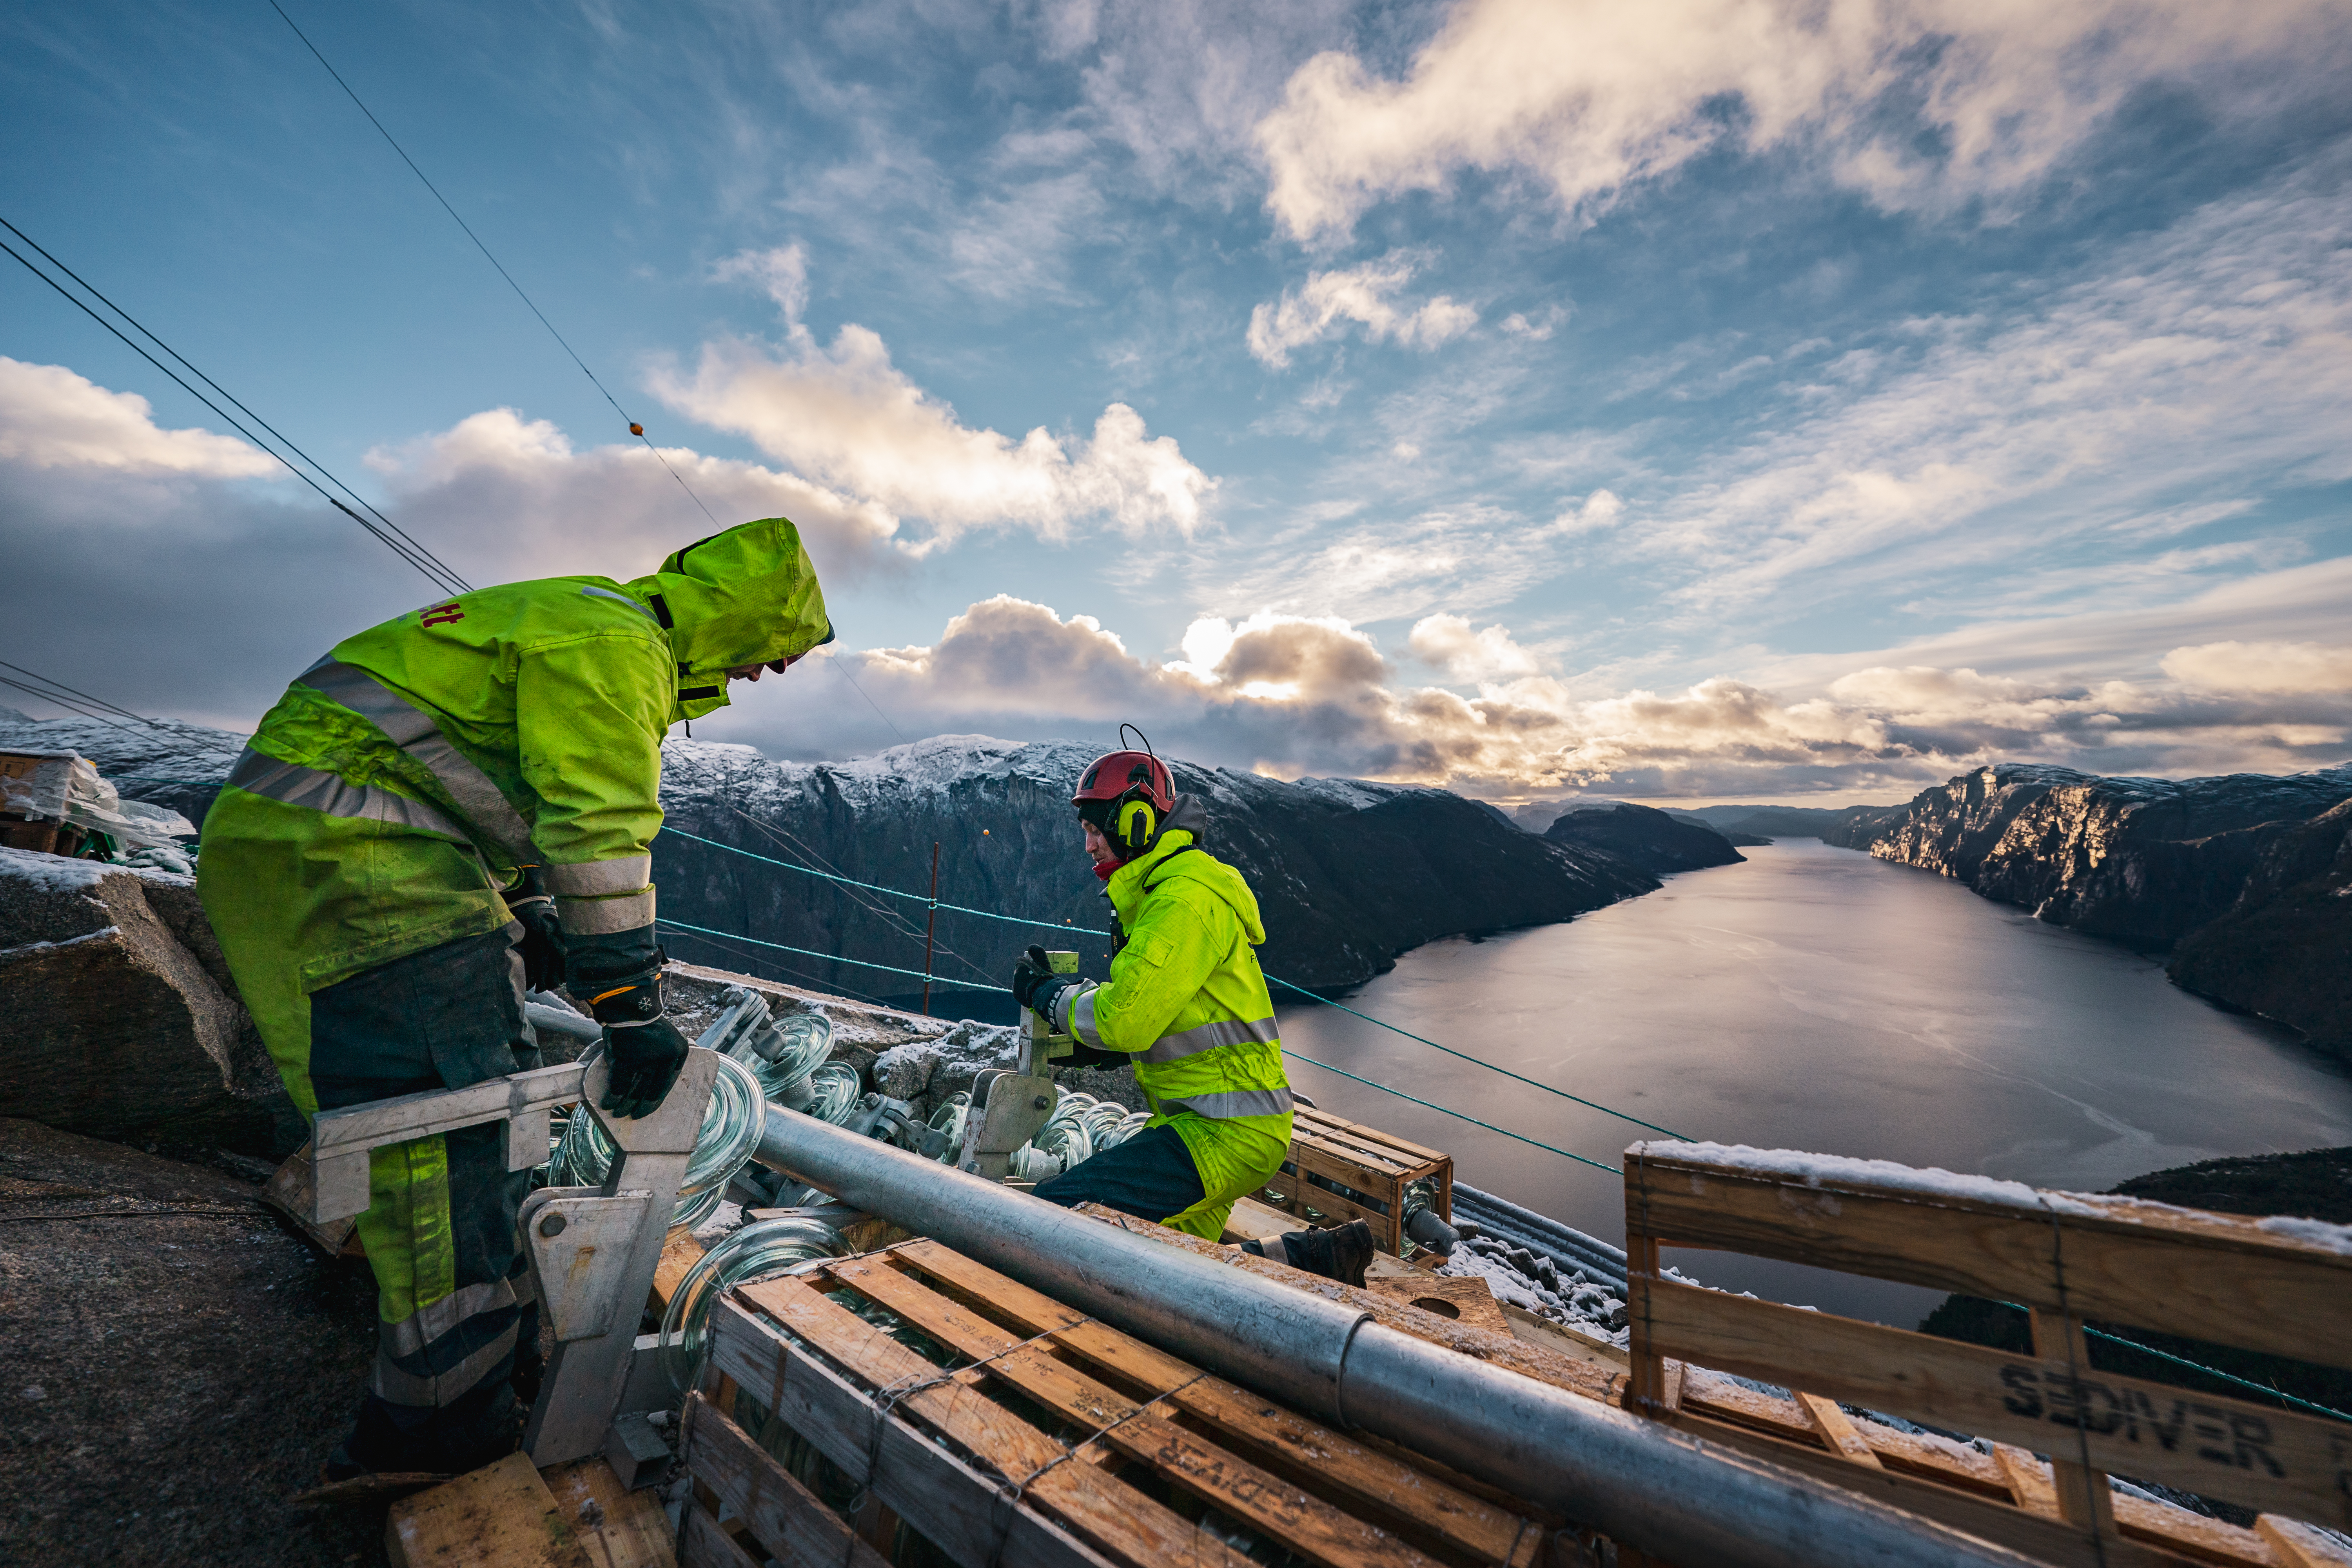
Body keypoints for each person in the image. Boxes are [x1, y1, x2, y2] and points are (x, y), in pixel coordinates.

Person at [197, 517, 831, 1479]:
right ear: (739, 617)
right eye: (773, 650)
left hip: (326, 849)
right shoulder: (618, 647)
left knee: (432, 1122)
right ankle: (437, 1431)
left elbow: (481, 785)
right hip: (365, 868)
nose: (767, 675)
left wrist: (528, 907)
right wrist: (628, 1000)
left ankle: (459, 1372)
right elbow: (599, 822)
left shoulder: (580, 612)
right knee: (448, 1138)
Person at [1011, 739, 1374, 1285]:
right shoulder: (1167, 893)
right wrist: (1105, 1043)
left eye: (1093, 828)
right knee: (1179, 1271)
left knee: (1054, 1220)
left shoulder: (1181, 901)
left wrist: (1050, 997)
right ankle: (1314, 1261)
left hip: (1222, 1131)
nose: (1086, 845)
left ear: (1134, 822)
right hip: (1221, 1125)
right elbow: (1166, 1016)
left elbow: (1126, 1018)